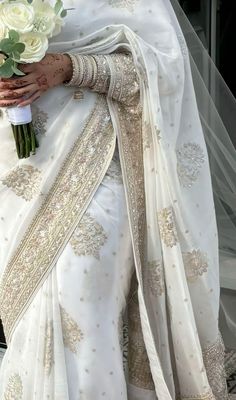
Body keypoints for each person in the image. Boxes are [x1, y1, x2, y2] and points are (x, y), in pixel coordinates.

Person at [0, 0, 234, 399]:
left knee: (80, 291)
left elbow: (164, 73)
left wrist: (68, 67)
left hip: (104, 165)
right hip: (24, 170)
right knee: (32, 305)